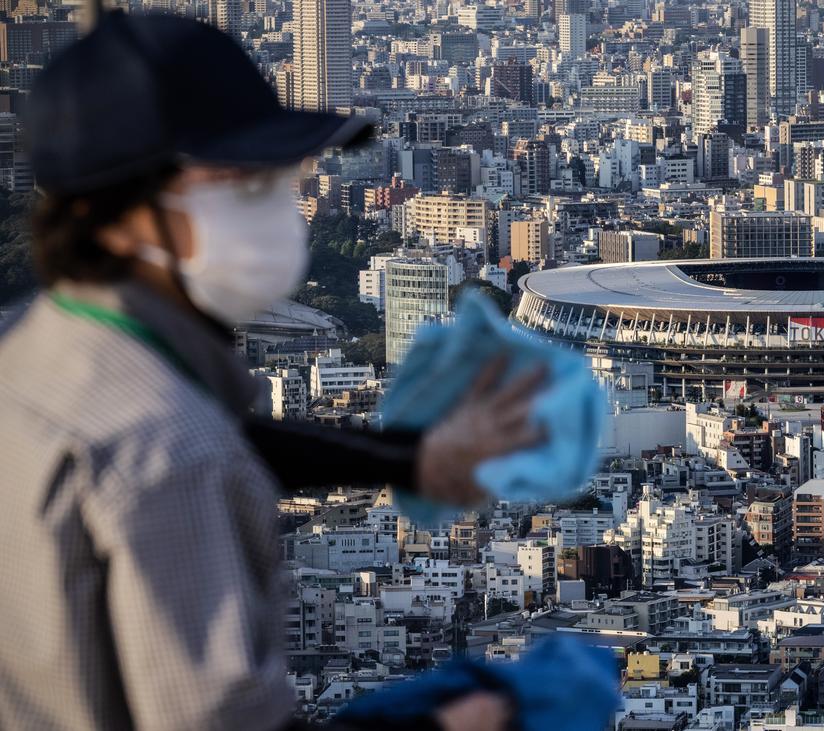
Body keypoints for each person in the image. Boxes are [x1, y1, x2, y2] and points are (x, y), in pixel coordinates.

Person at [0, 11, 539, 731]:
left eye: (274, 180)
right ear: (117, 213)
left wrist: (408, 457)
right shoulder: (172, 453)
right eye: (238, 185)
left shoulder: (33, 351)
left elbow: (223, 439)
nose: (280, 210)